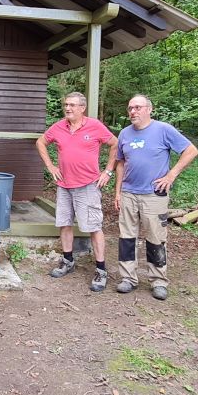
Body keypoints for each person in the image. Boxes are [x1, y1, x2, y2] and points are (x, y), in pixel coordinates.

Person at [113, 94, 198, 300]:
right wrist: (117, 192)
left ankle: (158, 281)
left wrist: (171, 175)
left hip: (153, 194)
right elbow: (121, 163)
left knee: (155, 238)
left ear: (149, 109)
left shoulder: (163, 130)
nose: (133, 111)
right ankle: (128, 278)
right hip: (128, 193)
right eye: (130, 108)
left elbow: (191, 150)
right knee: (126, 237)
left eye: (138, 107)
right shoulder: (125, 134)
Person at [36, 92, 117, 291]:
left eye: (72, 105)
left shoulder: (94, 126)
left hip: (88, 185)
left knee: (93, 227)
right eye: (66, 105)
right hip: (64, 185)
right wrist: (50, 166)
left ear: (82, 108)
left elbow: (115, 144)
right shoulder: (59, 126)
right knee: (64, 224)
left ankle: (101, 270)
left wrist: (108, 171)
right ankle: (68, 261)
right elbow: (40, 142)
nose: (68, 108)